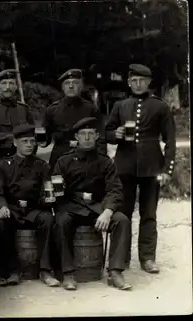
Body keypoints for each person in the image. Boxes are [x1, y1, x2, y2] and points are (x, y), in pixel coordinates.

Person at [105, 64, 176, 273]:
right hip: (124, 168)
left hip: (152, 168)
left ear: (148, 83)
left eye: (142, 81)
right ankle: (121, 258)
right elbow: (107, 131)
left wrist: (167, 170)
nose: (137, 84)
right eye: (134, 80)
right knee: (122, 214)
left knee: (149, 214)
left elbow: (170, 140)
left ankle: (147, 258)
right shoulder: (120, 105)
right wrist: (114, 134)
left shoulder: (160, 107)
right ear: (129, 82)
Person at [52, 117, 132, 291]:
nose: (87, 138)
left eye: (90, 134)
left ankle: (115, 272)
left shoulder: (105, 162)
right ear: (76, 137)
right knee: (61, 221)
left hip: (97, 208)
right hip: (72, 207)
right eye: (83, 134)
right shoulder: (63, 161)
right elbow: (56, 192)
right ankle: (68, 273)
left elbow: (115, 190)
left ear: (96, 136)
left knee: (122, 220)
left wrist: (108, 211)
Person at [0, 123, 60, 287]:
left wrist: (47, 200)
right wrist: (1, 206)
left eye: (31, 141)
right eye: (24, 142)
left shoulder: (42, 166)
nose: (29, 145)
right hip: (13, 209)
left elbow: (46, 191)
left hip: (33, 209)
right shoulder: (4, 165)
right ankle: (13, 270)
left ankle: (45, 270)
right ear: (15, 143)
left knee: (48, 219)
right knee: (0, 222)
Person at [40, 69, 107, 169]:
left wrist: (100, 162)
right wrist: (42, 139)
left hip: (86, 159)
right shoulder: (52, 110)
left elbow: (101, 139)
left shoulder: (91, 109)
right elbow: (45, 139)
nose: (71, 86)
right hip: (59, 160)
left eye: (75, 83)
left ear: (82, 86)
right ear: (62, 87)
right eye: (67, 83)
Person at [0, 69, 36, 164]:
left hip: (23, 161)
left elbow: (32, 135)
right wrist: (13, 139)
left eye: (11, 83)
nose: (7, 87)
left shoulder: (24, 109)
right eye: (4, 83)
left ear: (16, 86)